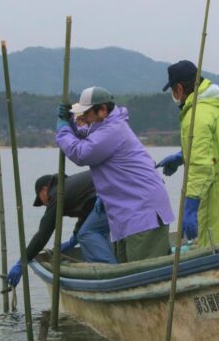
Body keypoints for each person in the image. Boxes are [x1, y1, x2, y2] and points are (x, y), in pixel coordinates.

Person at [56, 86, 175, 263]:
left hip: (143, 213)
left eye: (86, 114)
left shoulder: (112, 130)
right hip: (128, 215)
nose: (83, 119)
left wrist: (63, 130)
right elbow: (86, 137)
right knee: (128, 271)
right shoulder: (105, 127)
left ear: (102, 110)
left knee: (142, 274)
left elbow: (81, 153)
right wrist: (71, 123)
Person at [157, 59, 219, 248]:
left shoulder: (196, 114)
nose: (173, 95)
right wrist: (182, 156)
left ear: (179, 88)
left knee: (211, 249)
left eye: (172, 90)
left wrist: (191, 206)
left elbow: (201, 166)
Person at [6, 171, 116, 287]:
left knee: (85, 234)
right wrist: (72, 241)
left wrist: (22, 262)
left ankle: (112, 275)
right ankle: (111, 270)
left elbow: (42, 235)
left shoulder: (58, 194)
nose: (44, 205)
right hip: (115, 192)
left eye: (40, 199)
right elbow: (87, 210)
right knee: (97, 232)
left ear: (44, 190)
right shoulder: (69, 185)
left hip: (107, 196)